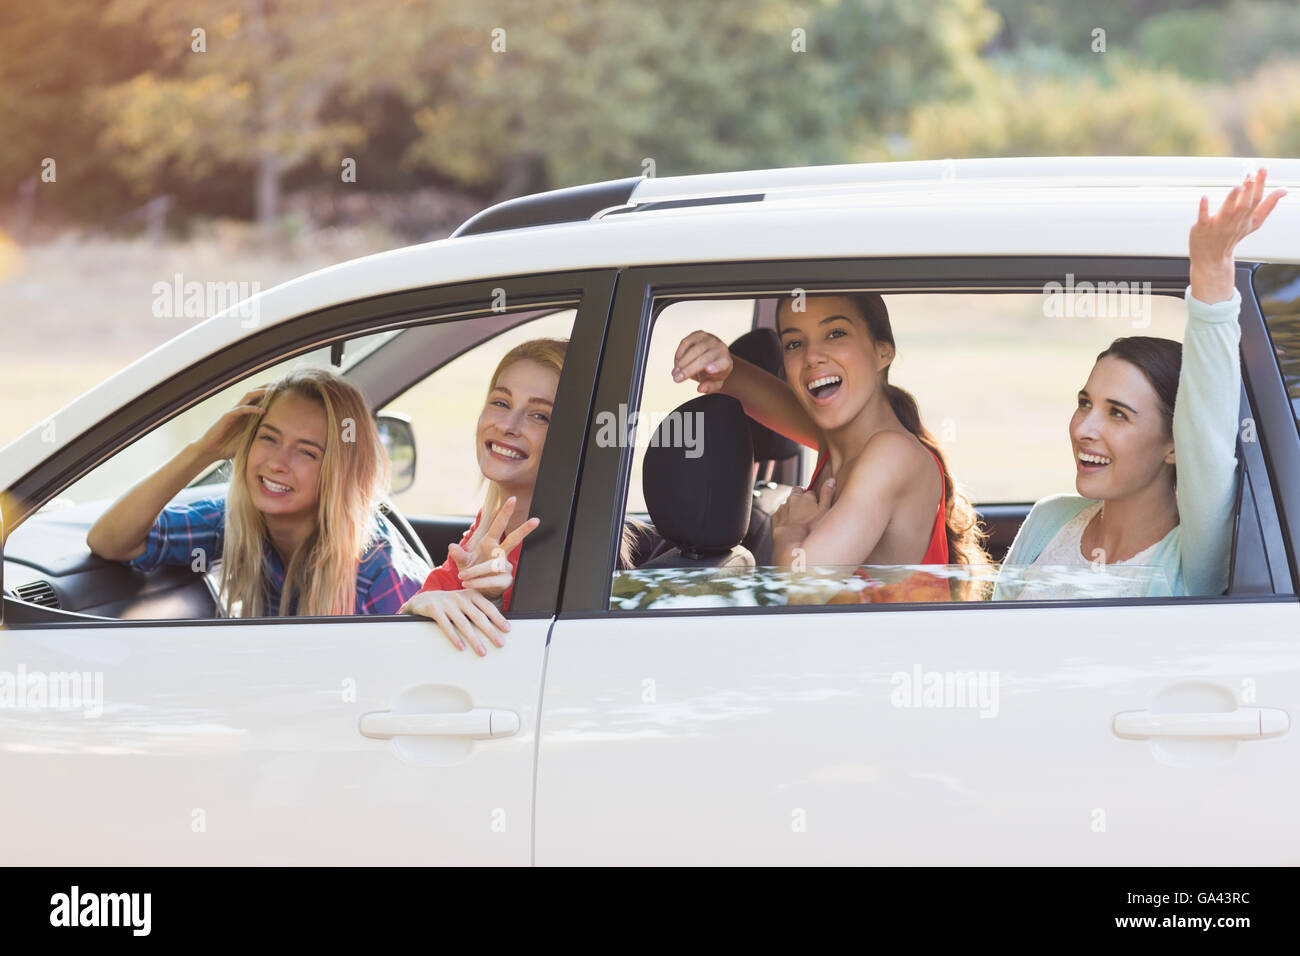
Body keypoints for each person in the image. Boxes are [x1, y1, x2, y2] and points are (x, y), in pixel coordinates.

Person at [996, 168, 1285, 600]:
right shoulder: (1049, 519)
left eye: (1118, 413)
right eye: (1084, 403)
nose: (1083, 429)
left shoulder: (1189, 561)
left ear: (1174, 445)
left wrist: (1210, 279)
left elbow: (1206, 431)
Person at [671, 293, 988, 584]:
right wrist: (721, 364)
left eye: (836, 334)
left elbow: (802, 590)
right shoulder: (840, 442)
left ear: (883, 351)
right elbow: (761, 393)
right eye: (794, 343)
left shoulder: (891, 456)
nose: (812, 357)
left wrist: (789, 531)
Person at [86, 367, 430, 616]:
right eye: (268, 438)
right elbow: (110, 541)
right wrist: (203, 452)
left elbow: (408, 690)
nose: (278, 463)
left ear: (339, 473)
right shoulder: (237, 521)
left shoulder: (379, 572)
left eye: (306, 451)